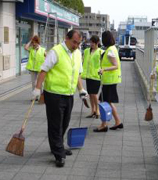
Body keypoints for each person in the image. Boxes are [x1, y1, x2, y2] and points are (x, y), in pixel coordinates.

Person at [32, 30, 88, 167]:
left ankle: (58, 146)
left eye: (79, 43)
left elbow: (78, 74)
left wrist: (81, 89)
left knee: (65, 123)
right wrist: (37, 89)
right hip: (54, 94)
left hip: (68, 94)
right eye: (74, 42)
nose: (76, 45)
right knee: (55, 125)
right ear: (66, 38)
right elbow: (43, 70)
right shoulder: (55, 51)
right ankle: (58, 154)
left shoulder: (77, 54)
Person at [93, 31, 123, 132]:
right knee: (106, 102)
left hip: (109, 80)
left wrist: (103, 69)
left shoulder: (110, 50)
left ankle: (104, 124)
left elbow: (115, 65)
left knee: (104, 102)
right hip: (111, 80)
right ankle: (116, 122)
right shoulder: (113, 48)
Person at [81, 35, 102, 118]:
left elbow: (103, 64)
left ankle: (97, 110)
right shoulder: (86, 51)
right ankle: (92, 110)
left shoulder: (101, 52)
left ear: (98, 43)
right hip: (88, 75)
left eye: (94, 42)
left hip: (96, 76)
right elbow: (83, 61)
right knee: (90, 94)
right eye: (91, 42)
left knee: (94, 94)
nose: (92, 44)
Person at [24, 35, 46, 100]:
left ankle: (40, 96)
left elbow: (47, 56)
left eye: (34, 42)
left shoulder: (42, 50)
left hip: (40, 69)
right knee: (33, 83)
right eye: (32, 43)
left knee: (39, 83)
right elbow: (25, 47)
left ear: (38, 42)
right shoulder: (31, 49)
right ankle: (34, 96)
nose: (33, 44)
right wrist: (30, 41)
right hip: (32, 69)